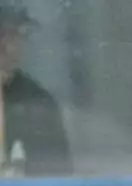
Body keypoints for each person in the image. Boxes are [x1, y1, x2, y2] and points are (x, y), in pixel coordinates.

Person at [0, 1, 70, 176]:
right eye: (3, 35)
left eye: (18, 36)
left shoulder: (37, 105)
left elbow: (56, 182)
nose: (10, 48)